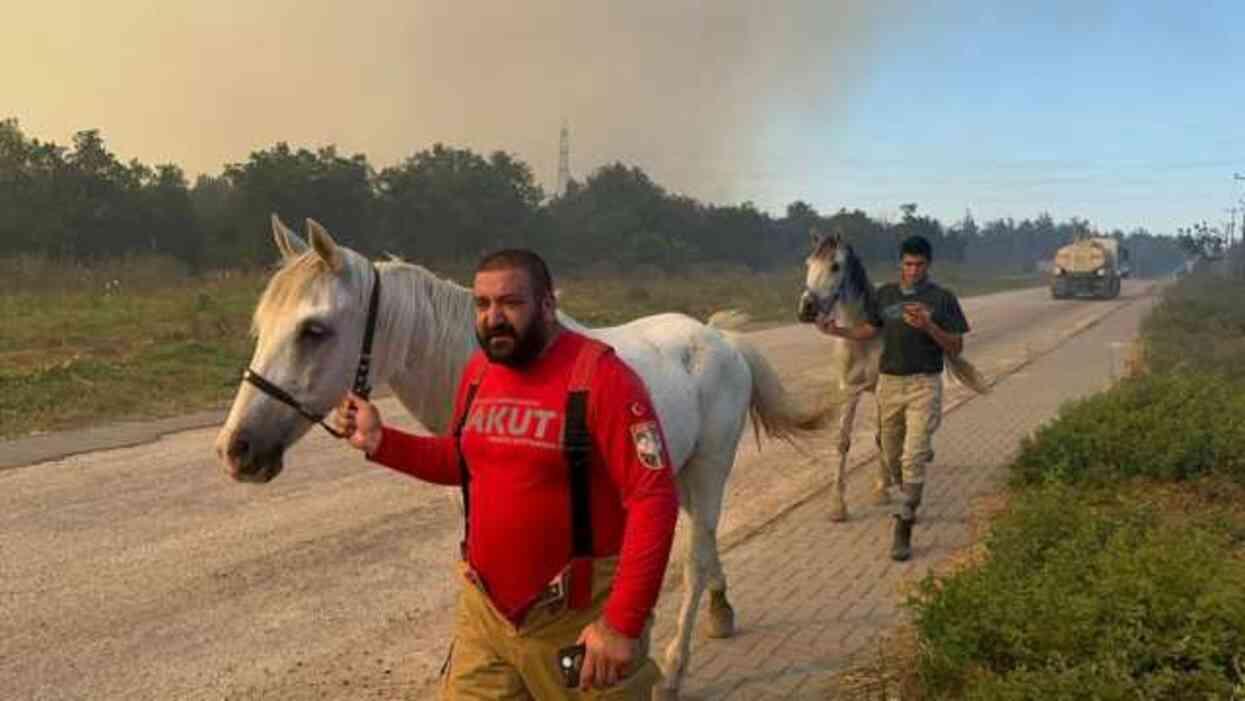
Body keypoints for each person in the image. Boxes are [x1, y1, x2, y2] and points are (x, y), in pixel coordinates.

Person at [334, 248, 679, 699]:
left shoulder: (603, 378)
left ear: (548, 306)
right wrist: (383, 441)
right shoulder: (479, 373)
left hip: (575, 623)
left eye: (511, 303)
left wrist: (621, 623)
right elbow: (464, 460)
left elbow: (654, 499)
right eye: (482, 304)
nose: (494, 317)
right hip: (486, 617)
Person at [815, 235, 970, 561]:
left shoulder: (942, 299)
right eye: (908, 264)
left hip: (923, 384)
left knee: (913, 457)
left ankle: (904, 525)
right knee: (891, 456)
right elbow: (869, 330)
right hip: (888, 385)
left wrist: (929, 326)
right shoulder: (885, 294)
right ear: (901, 263)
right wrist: (837, 332)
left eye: (919, 264)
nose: (913, 270)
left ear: (928, 265)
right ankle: (906, 495)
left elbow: (955, 347)